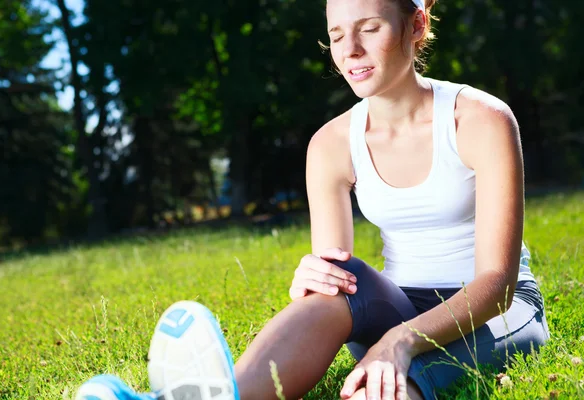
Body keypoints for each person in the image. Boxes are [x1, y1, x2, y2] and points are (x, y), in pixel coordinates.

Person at [75, 0, 551, 399]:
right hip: (397, 305)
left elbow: (497, 283)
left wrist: (400, 340)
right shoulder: (330, 144)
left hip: (494, 313)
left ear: (416, 26)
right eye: (338, 34)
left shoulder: (481, 120)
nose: (352, 51)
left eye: (370, 28)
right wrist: (315, 278)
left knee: (384, 388)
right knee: (340, 282)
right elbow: (337, 276)